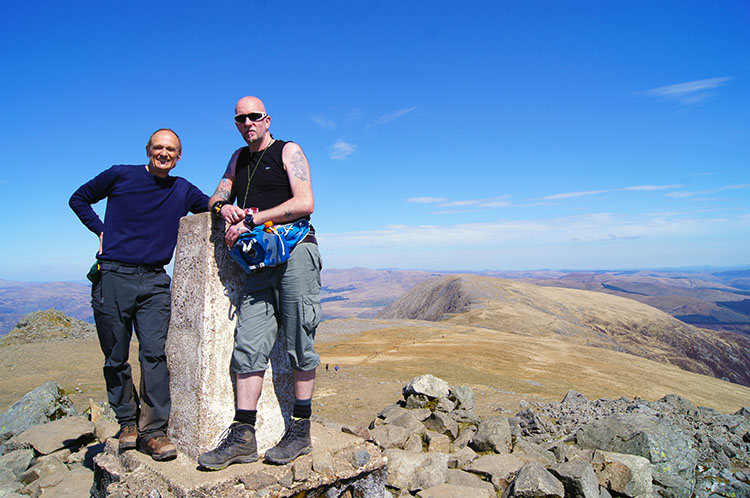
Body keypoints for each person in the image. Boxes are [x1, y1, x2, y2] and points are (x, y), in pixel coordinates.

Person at [69, 129, 209, 461]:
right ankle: (127, 423)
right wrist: (101, 229)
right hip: (114, 275)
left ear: (179, 155)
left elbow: (212, 207)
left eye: (170, 149)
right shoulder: (120, 175)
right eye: (158, 147)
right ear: (148, 150)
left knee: (155, 355)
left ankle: (154, 431)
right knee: (115, 355)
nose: (164, 153)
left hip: (155, 281)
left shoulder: (182, 189)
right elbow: (78, 198)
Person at [198, 96, 322, 469]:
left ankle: (301, 431)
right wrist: (224, 208)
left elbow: (305, 202)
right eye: (241, 118)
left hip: (296, 249)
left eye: (254, 116)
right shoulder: (238, 158)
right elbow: (216, 196)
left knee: (301, 336)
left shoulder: (289, 150)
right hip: (259, 262)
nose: (248, 122)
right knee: (249, 343)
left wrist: (252, 218)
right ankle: (243, 436)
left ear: (267, 120)